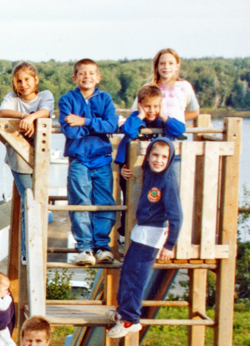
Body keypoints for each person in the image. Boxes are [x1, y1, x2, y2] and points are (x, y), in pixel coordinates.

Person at [108, 137, 181, 338]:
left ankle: (131, 320)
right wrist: (124, 171)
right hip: (141, 231)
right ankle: (122, 312)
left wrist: (170, 245)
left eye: (164, 157)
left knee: (136, 277)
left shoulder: (167, 181)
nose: (158, 160)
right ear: (148, 156)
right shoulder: (150, 172)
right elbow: (132, 171)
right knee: (127, 272)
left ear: (170, 159)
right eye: (155, 155)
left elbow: (176, 216)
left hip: (153, 234)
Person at [58, 58, 120, 267]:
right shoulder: (67, 100)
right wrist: (97, 126)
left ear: (98, 77)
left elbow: (111, 124)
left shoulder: (105, 99)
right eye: (82, 73)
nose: (87, 77)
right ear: (75, 77)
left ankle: (102, 246)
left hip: (101, 158)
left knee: (104, 202)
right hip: (78, 159)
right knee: (80, 201)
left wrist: (84, 121)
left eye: (91, 73)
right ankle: (85, 247)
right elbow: (71, 131)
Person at [0, 62, 55, 262]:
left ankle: (35, 246)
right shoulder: (12, 99)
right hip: (19, 157)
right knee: (28, 199)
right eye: (19, 81)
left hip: (40, 156)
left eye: (27, 80)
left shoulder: (45, 95)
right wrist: (23, 115)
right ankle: (26, 251)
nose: (23, 84)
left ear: (36, 80)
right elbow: (2, 112)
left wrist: (31, 118)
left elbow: (46, 111)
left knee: (40, 203)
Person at [115, 85, 185, 236]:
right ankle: (126, 231)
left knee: (155, 201)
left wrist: (164, 116)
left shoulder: (162, 122)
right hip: (133, 171)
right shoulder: (135, 118)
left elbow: (179, 130)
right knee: (130, 200)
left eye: (155, 106)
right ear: (140, 104)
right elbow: (128, 130)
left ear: (161, 105)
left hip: (155, 173)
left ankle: (158, 231)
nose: (151, 110)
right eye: (147, 106)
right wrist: (140, 115)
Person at [132, 48, 200, 124]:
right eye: (162, 63)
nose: (166, 67)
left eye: (171, 63)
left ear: (177, 66)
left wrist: (173, 122)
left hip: (175, 133)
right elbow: (135, 110)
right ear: (156, 66)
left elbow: (195, 111)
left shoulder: (185, 86)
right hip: (153, 133)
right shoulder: (148, 87)